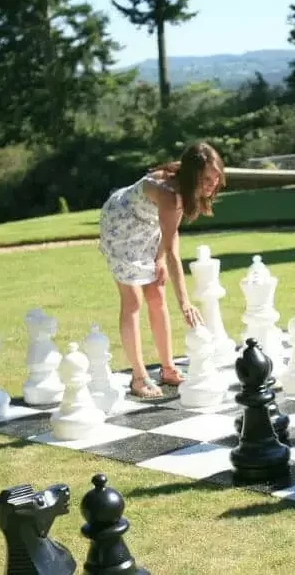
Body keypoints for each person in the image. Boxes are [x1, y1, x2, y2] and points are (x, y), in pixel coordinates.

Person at [98, 141, 226, 398]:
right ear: (192, 176)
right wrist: (186, 303)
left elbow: (170, 237)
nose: (212, 184)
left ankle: (168, 369)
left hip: (147, 225)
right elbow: (174, 253)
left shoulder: (182, 188)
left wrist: (157, 260)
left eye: (216, 177)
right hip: (120, 223)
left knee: (156, 292)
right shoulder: (169, 193)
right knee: (133, 300)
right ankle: (138, 377)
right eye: (206, 179)